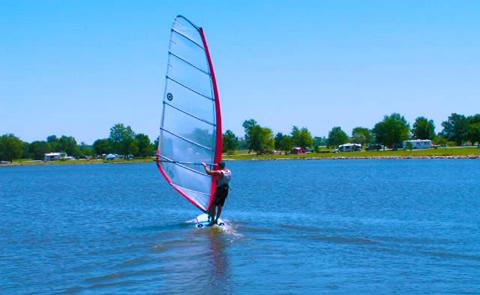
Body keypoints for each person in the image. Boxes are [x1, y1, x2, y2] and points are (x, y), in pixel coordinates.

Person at [201, 161, 232, 225]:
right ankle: (216, 219)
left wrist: (205, 166)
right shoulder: (229, 171)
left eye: (218, 166)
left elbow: (208, 172)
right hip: (225, 190)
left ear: (220, 166)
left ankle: (212, 219)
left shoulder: (219, 172)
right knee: (220, 206)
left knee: (213, 205)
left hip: (219, 190)